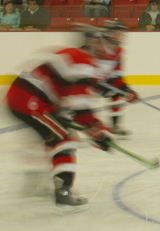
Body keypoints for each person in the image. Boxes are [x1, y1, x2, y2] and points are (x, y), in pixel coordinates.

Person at [5, 26, 119, 209]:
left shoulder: (74, 55)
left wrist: (96, 131)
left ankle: (44, 182)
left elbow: (70, 103)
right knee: (66, 138)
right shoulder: (83, 60)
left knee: (55, 137)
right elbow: (80, 108)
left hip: (25, 98)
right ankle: (63, 191)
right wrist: (98, 133)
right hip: (31, 101)